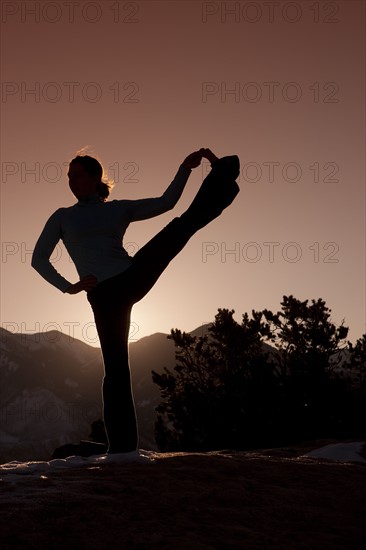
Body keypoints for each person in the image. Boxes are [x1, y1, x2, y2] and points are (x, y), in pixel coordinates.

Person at [32, 148, 240, 454]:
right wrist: (70, 287)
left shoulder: (119, 209)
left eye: (77, 175)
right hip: (103, 296)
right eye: (68, 177)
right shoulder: (62, 217)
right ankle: (123, 449)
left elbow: (166, 203)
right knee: (116, 368)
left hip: (132, 276)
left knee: (180, 226)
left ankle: (222, 176)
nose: (71, 181)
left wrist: (185, 168)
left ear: (93, 177)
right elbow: (39, 260)